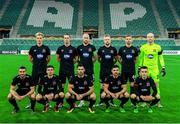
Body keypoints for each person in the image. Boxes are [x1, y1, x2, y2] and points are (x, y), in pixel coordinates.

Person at [139, 33, 166, 107]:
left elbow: (161, 57)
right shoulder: (143, 47)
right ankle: (144, 102)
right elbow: (141, 58)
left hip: (154, 70)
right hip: (145, 70)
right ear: (146, 38)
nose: (150, 38)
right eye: (148, 37)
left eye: (151, 37)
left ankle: (158, 102)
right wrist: (139, 67)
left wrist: (163, 67)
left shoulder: (158, 47)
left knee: (156, 85)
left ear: (154, 38)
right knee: (144, 85)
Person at [27, 32, 51, 109]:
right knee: (33, 87)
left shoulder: (46, 48)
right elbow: (30, 58)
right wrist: (35, 63)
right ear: (36, 39)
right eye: (38, 38)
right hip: (35, 70)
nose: (39, 39)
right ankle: (31, 102)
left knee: (45, 86)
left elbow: (49, 58)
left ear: (42, 39)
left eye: (40, 38)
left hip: (44, 70)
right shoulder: (32, 48)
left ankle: (47, 102)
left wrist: (44, 64)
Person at [97, 34, 118, 106]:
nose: (107, 40)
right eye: (106, 39)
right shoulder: (100, 49)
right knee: (102, 86)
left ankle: (111, 101)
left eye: (108, 39)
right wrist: (103, 63)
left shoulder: (113, 49)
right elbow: (98, 59)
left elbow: (116, 59)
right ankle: (101, 101)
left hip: (111, 71)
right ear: (104, 40)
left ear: (110, 40)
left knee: (111, 86)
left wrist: (111, 65)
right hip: (103, 71)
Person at [77, 33, 96, 107]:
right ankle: (81, 101)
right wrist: (80, 64)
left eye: (87, 38)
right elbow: (77, 57)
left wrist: (91, 63)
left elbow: (95, 57)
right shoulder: (79, 47)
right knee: (81, 84)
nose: (86, 39)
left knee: (91, 85)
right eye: (85, 38)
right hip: (81, 70)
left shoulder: (92, 47)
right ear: (82, 38)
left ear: (89, 38)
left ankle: (90, 100)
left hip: (90, 70)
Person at [118, 35, 139, 99]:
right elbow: (119, 58)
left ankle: (132, 98)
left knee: (132, 84)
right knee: (124, 84)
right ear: (125, 40)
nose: (128, 40)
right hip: (124, 70)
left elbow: (136, 59)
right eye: (127, 39)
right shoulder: (122, 49)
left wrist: (132, 64)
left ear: (132, 40)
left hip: (132, 70)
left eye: (129, 39)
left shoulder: (134, 49)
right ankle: (124, 98)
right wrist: (122, 63)